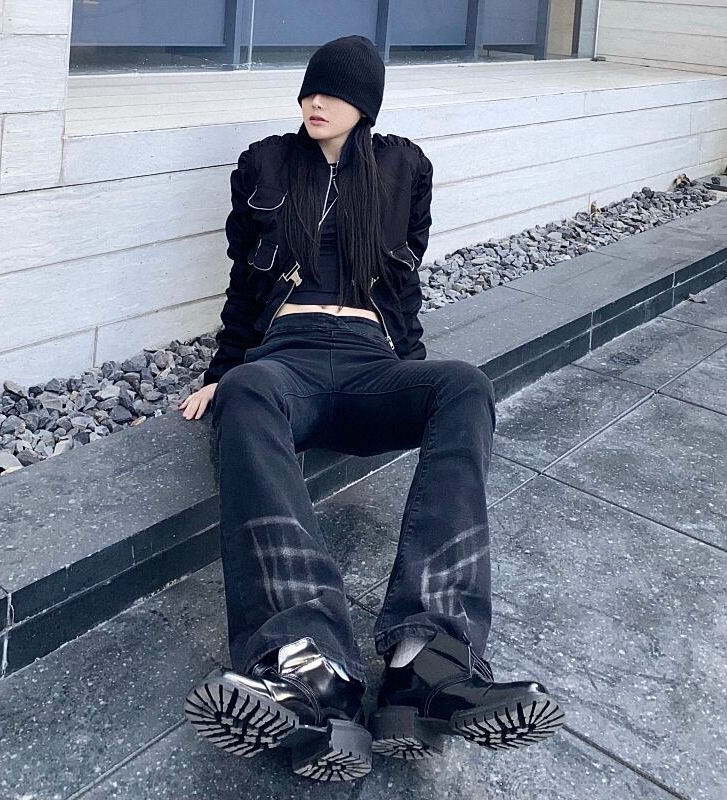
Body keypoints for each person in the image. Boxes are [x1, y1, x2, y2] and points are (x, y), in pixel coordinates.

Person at [178, 35, 563, 782]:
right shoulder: (265, 163)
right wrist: (223, 372)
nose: (314, 102)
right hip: (287, 357)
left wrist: (409, 376)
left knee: (465, 385)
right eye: (308, 90)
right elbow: (243, 286)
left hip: (369, 358)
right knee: (247, 392)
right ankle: (308, 664)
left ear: (367, 104)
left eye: (333, 92)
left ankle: (429, 659)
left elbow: (404, 284)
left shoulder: (403, 168)